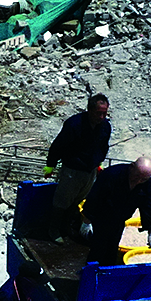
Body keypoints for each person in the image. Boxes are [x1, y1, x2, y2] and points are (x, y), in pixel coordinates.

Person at [43, 94, 112, 241]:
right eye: (98, 113)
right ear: (90, 110)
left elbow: (103, 147)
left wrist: (99, 163)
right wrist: (50, 165)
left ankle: (67, 226)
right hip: (72, 170)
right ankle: (53, 230)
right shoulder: (74, 124)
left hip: (90, 170)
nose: (101, 117)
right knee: (62, 200)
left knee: (78, 200)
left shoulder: (105, 126)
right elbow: (58, 146)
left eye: (104, 113)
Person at [82, 156, 151, 266]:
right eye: (137, 176)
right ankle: (90, 273)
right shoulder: (111, 175)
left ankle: (108, 273)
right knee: (98, 247)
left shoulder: (146, 183)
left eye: (143, 179)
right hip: (101, 217)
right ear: (132, 167)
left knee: (112, 248)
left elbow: (149, 205)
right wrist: (87, 221)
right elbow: (95, 197)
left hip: (119, 219)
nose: (138, 181)